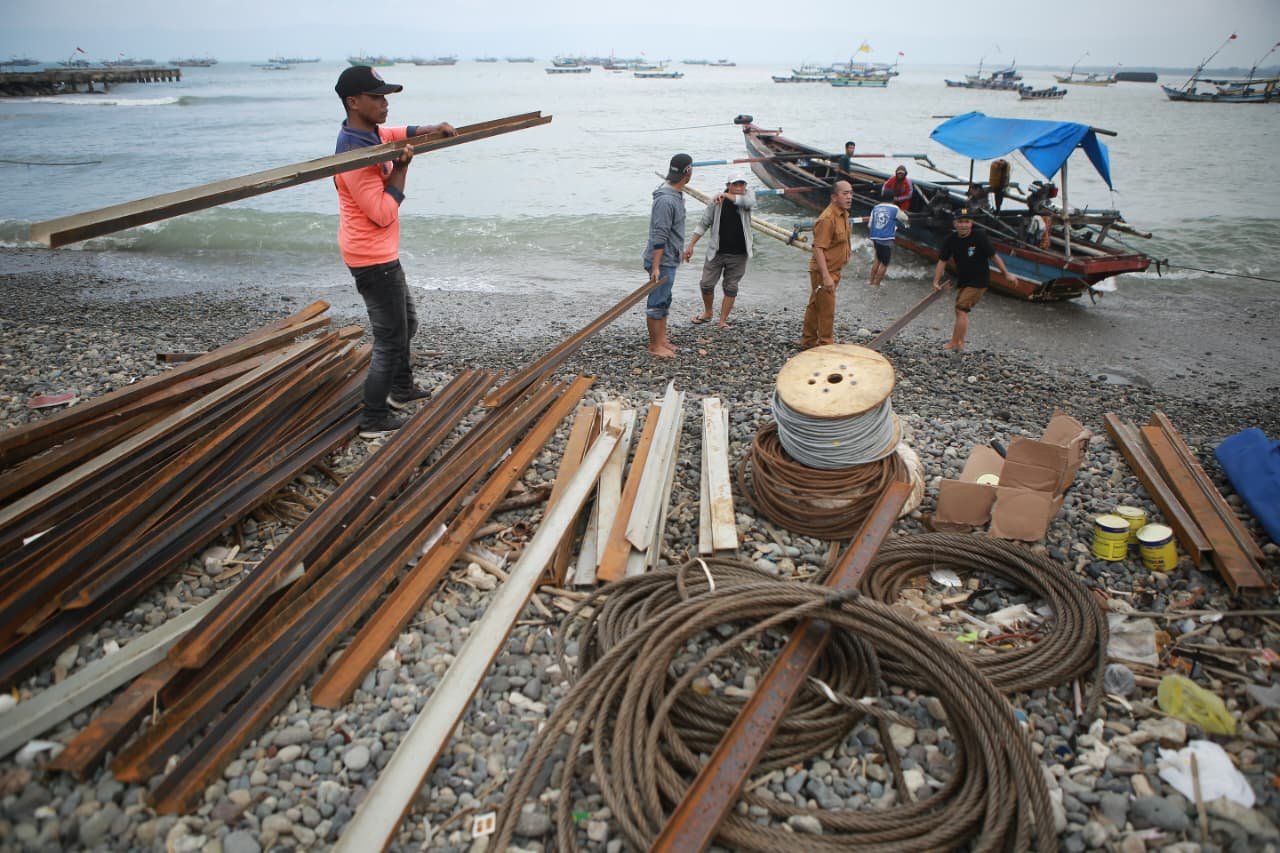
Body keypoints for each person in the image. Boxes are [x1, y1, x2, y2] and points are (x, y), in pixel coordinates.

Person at [333, 65, 456, 437]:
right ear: (354, 102)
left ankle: (401, 389)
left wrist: (429, 130)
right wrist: (401, 169)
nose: (385, 103)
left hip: (380, 253)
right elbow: (384, 214)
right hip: (372, 258)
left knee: (407, 324)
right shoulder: (355, 156)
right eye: (377, 97)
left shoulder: (368, 133)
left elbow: (392, 132)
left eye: (385, 96)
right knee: (389, 340)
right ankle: (372, 418)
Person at [931, 207, 1010, 352]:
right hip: (964, 280)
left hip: (979, 280)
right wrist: (936, 281)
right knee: (959, 310)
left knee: (961, 309)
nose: (963, 225)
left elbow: (993, 256)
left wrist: (1005, 273)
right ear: (955, 223)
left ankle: (956, 342)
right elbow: (942, 261)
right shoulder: (951, 239)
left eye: (966, 222)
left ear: (971, 223)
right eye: (960, 222)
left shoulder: (979, 236)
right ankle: (959, 342)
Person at [683, 173, 755, 329]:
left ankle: (722, 321)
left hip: (739, 253)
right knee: (706, 284)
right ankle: (708, 312)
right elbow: (703, 223)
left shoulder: (747, 196)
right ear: (728, 185)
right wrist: (690, 245)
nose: (740, 188)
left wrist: (726, 195)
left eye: (742, 184)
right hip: (717, 252)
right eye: (736, 185)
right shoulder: (717, 202)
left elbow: (749, 202)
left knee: (731, 287)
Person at [642, 153, 692, 358]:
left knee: (665, 300)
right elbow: (660, 234)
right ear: (688, 172)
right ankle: (654, 346)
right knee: (657, 302)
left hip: (670, 257)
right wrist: (656, 266)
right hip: (661, 260)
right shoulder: (666, 200)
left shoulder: (674, 194)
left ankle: (662, 340)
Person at [801, 180, 853, 348]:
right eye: (845, 193)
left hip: (834, 269)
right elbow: (818, 248)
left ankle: (808, 340)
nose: (849, 197)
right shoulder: (828, 218)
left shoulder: (844, 214)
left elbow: (843, 241)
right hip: (824, 271)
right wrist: (826, 276)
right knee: (826, 310)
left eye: (851, 193)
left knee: (816, 304)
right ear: (834, 197)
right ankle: (825, 343)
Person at [867, 188, 909, 288]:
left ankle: (870, 281)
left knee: (877, 258)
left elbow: (870, 224)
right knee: (884, 263)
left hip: (875, 237)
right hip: (886, 238)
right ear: (893, 198)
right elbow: (905, 218)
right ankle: (876, 284)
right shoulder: (895, 208)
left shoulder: (876, 207)